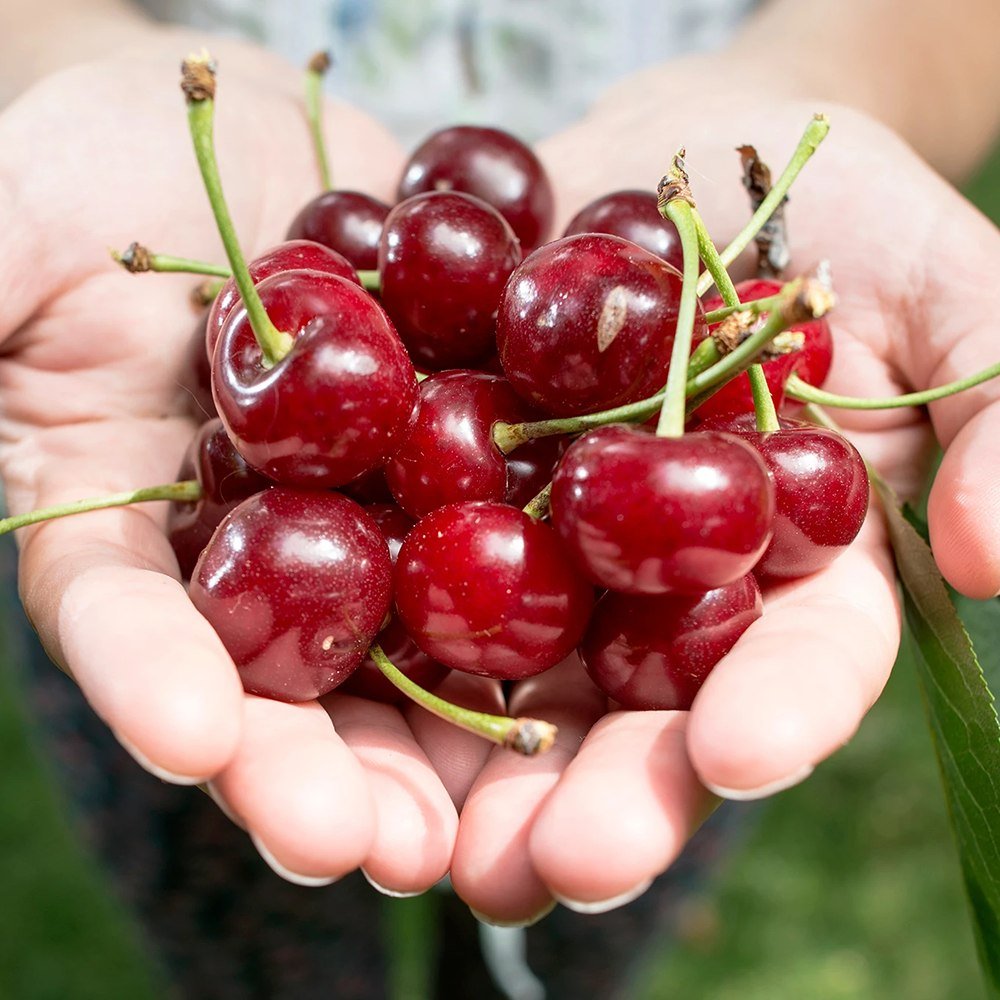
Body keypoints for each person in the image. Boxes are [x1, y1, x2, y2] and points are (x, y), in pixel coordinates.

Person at [1, 0, 999, 996]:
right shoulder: (357, 351)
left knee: (591, 875)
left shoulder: (660, 428)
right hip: (236, 616)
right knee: (247, 907)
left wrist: (830, 71)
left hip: (610, 622)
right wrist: (61, 47)